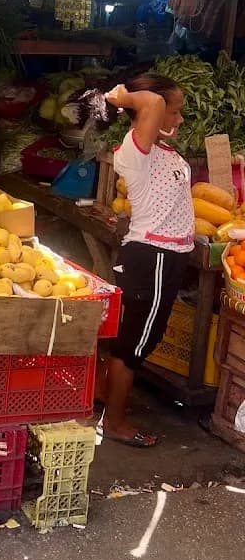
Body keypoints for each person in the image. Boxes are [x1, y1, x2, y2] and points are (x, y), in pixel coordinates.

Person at [94, 74, 193, 448]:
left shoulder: (161, 153)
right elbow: (150, 104)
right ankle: (115, 422)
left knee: (136, 339)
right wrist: (124, 97)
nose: (179, 119)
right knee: (133, 345)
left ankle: (107, 397)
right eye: (175, 111)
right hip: (153, 258)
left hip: (165, 258)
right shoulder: (136, 151)